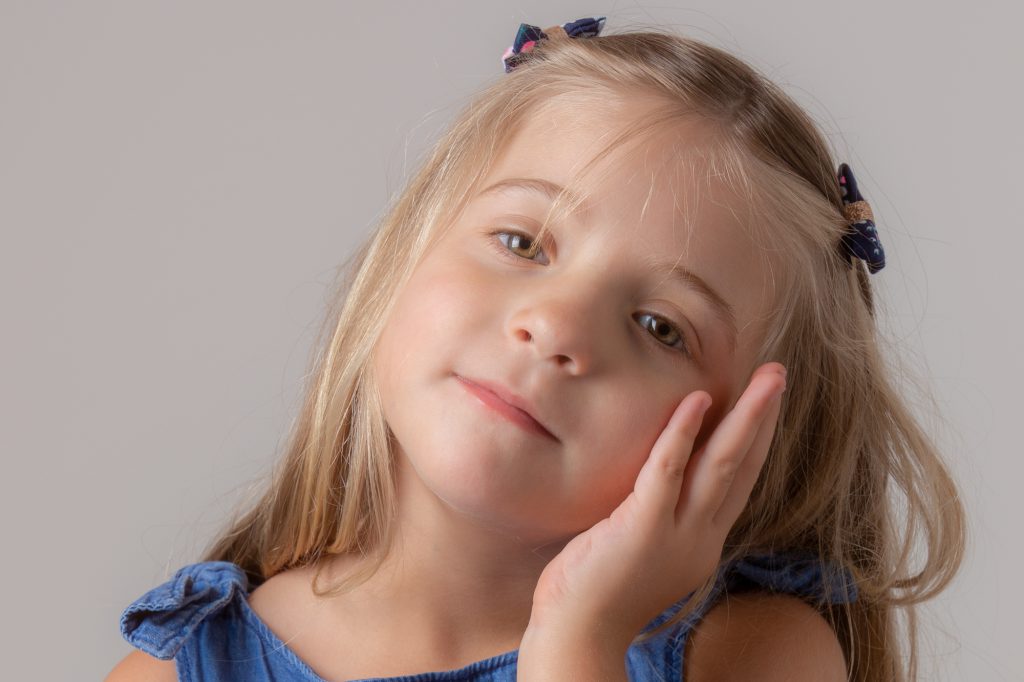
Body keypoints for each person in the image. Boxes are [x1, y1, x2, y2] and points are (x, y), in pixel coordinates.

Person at [106, 16, 965, 682]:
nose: (554, 329)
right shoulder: (184, 667)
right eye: (522, 243)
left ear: (738, 443)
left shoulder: (752, 656)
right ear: (402, 253)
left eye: (660, 327)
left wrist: (580, 641)